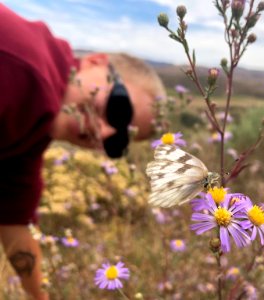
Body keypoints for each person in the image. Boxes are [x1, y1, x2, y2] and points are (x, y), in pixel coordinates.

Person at [0, 4, 166, 299]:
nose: (102, 133)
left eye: (117, 142)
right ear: (95, 62)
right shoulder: (25, 71)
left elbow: (15, 221)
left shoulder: (34, 122)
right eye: (117, 109)